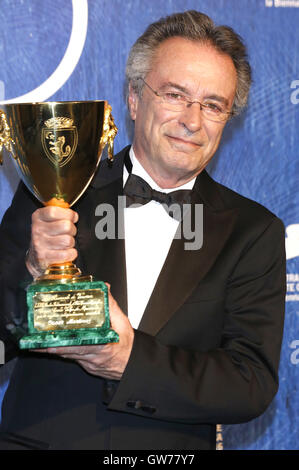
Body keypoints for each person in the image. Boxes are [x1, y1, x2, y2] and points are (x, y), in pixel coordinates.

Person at [0, 10, 286, 450]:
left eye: (213, 105)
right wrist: (33, 267)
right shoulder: (55, 193)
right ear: (134, 99)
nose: (193, 120)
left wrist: (127, 360)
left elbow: (249, 384)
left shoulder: (254, 232)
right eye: (175, 95)